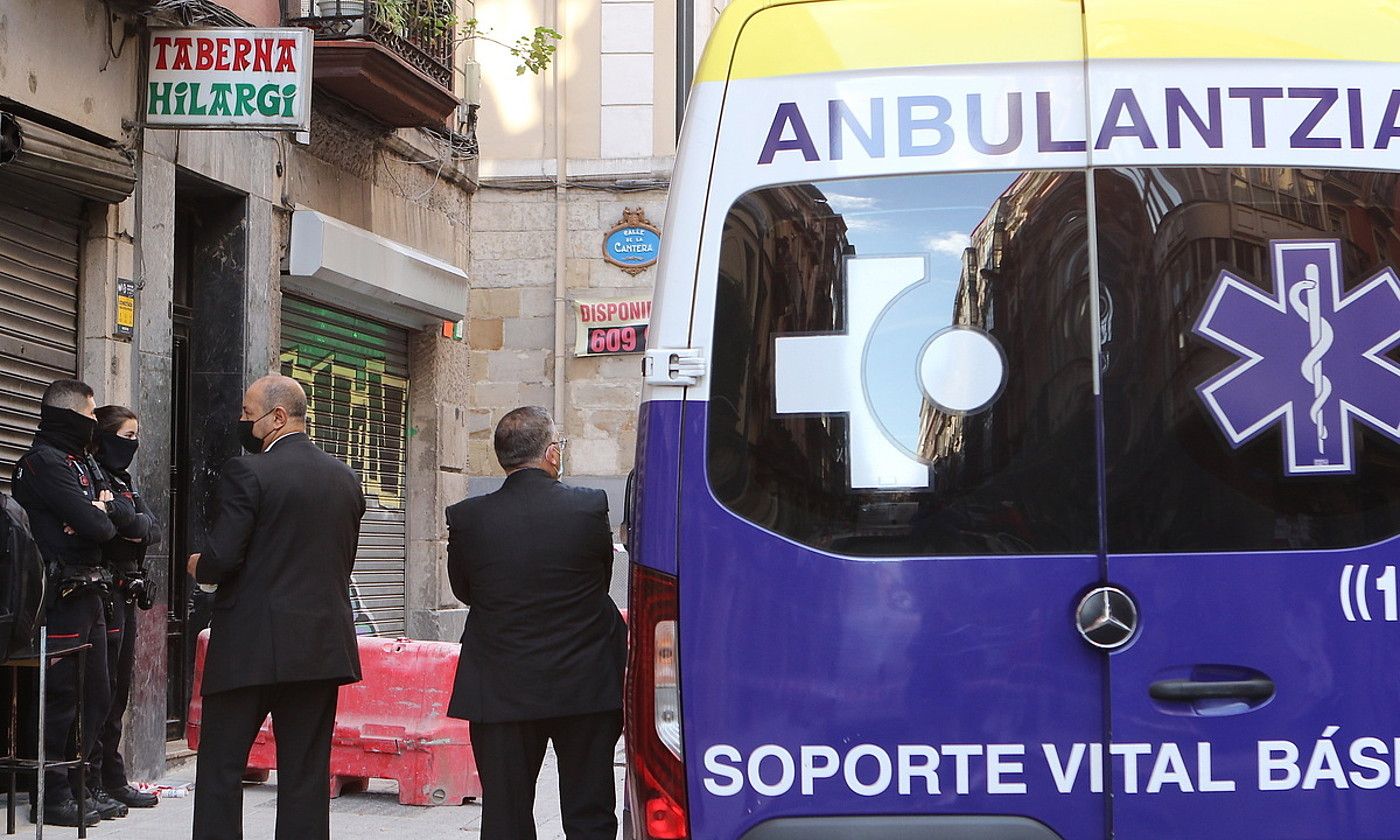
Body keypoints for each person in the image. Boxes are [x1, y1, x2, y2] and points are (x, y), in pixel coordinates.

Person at [187, 375, 365, 840]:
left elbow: (223, 558)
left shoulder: (248, 472)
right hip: (320, 649)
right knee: (306, 772)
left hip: (249, 645)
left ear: (278, 417)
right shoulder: (345, 478)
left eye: (248, 414)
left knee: (222, 767)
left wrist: (197, 565)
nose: (242, 422)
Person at [445, 406, 627, 840]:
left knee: (505, 818)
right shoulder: (589, 507)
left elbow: (464, 589)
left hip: (500, 685)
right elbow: (600, 581)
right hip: (583, 682)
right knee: (590, 813)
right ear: (551, 453)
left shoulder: (468, 517)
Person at [11, 379, 135, 827]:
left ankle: (83, 785)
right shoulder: (43, 464)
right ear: (68, 416)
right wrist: (95, 516)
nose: (94, 422)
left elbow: (118, 522)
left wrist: (100, 516)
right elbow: (97, 525)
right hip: (58, 595)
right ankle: (53, 793)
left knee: (96, 694)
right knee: (60, 697)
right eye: (89, 413)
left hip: (91, 590)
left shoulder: (80, 462)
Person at [88, 405, 161, 812]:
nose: (133, 445)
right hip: (103, 592)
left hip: (126, 593)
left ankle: (111, 777)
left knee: (118, 693)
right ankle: (94, 778)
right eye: (127, 436)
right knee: (99, 693)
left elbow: (150, 530)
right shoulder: (92, 475)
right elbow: (119, 529)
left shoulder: (121, 481)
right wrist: (127, 522)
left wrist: (124, 516)